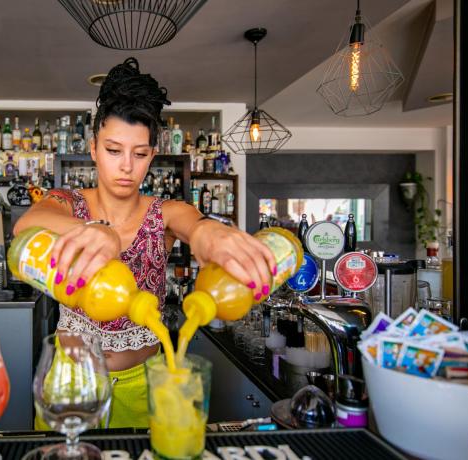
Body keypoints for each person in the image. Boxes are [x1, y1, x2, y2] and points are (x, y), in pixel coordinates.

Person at [14, 57, 275, 428]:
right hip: (73, 381)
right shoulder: (68, 202)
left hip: (142, 381)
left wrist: (208, 233)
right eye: (113, 150)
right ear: (93, 148)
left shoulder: (165, 212)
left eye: (138, 154)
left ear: (152, 154)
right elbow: (28, 223)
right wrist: (96, 230)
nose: (125, 166)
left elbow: (194, 224)